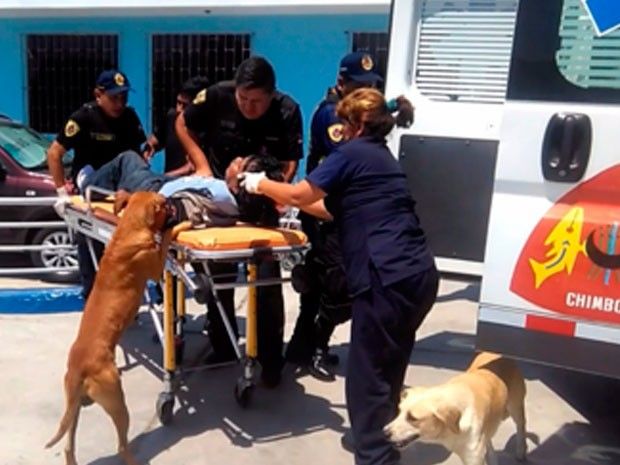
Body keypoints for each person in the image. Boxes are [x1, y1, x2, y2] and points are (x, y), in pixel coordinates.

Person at [239, 87, 439, 465]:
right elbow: (329, 208)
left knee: (366, 381)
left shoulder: (352, 153)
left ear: (359, 124)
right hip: (419, 276)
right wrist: (279, 198)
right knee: (389, 367)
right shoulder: (381, 158)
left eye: (344, 124)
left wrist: (258, 183)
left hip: (387, 280)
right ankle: (387, 440)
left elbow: (301, 192)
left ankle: (376, 457)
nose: (340, 131)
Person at [286, 51, 415, 381]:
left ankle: (304, 345)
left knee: (325, 283)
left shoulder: (350, 108)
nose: (365, 93)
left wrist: (392, 106)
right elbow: (352, 151)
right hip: (323, 211)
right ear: (342, 83)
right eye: (359, 86)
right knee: (341, 282)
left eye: (371, 86)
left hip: (336, 211)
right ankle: (314, 344)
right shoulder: (332, 115)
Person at [175, 56, 303, 387]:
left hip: (262, 207)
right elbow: (182, 124)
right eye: (243, 100)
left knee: (266, 280)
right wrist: (202, 164)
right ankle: (224, 346)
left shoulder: (287, 110)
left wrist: (272, 195)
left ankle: (271, 361)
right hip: (221, 201)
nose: (249, 107)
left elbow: (290, 164)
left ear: (271, 95)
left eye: (257, 101)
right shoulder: (217, 95)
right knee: (217, 279)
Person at [48, 69, 147, 298]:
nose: (119, 103)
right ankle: (91, 299)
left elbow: (140, 157)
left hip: (119, 191)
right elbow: (54, 153)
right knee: (90, 250)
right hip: (92, 183)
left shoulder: (129, 119)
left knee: (123, 254)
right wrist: (62, 193)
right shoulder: (84, 117)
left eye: (123, 97)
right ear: (98, 94)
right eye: (114, 98)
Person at [79, 150, 283, 228]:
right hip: (168, 182)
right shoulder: (230, 200)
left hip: (153, 189)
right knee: (132, 165)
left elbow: (170, 210)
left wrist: (133, 199)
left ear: (240, 185)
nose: (236, 159)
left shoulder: (219, 197)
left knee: (127, 158)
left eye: (240, 164)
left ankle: (87, 183)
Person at [144, 76, 209, 176]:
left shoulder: (207, 129)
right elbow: (156, 140)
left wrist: (164, 177)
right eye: (178, 103)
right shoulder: (171, 117)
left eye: (185, 106)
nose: (179, 109)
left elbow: (192, 167)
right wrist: (149, 148)